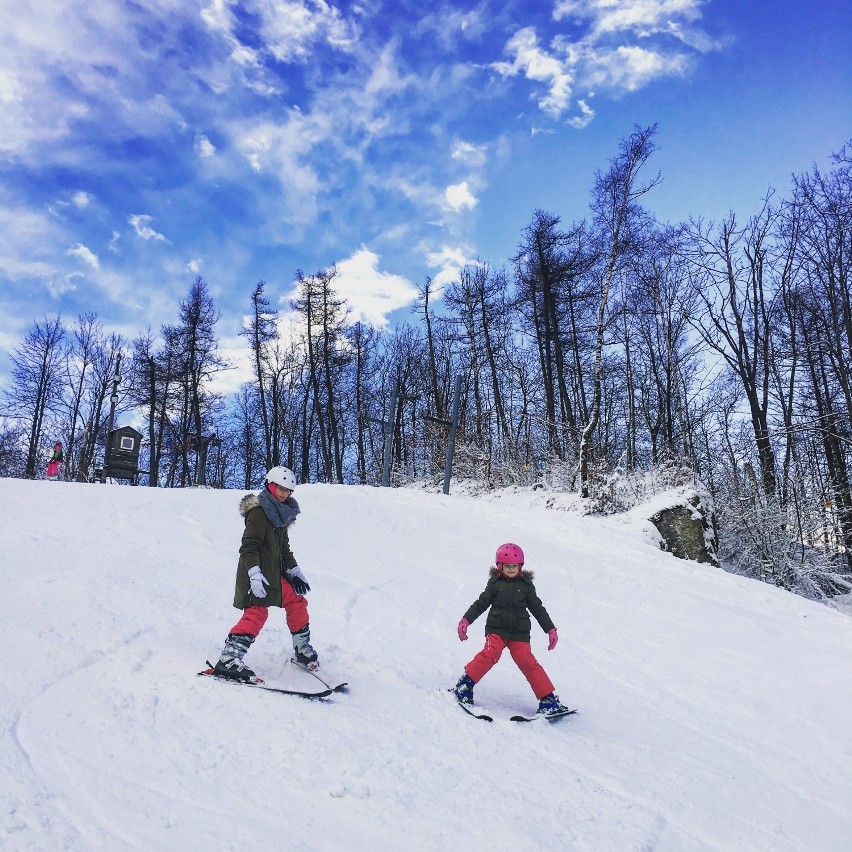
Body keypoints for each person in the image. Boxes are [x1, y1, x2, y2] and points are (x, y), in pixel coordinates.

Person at [212, 465, 319, 682]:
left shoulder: (282, 515)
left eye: (288, 490)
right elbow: (248, 546)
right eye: (280, 488)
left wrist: (295, 571)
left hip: (274, 574)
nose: (284, 493)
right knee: (257, 613)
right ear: (270, 485)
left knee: (297, 601)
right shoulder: (260, 512)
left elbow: (284, 550)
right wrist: (254, 574)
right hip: (255, 573)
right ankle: (228, 660)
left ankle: (301, 649)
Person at [451, 542, 569, 717]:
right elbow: (481, 603)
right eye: (507, 566)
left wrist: (550, 629)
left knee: (527, 661)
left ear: (520, 566)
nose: (511, 569)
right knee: (490, 654)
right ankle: (465, 685)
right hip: (496, 629)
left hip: (519, 632)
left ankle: (548, 699)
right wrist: (466, 620)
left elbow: (537, 608)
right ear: (500, 566)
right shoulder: (494, 583)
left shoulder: (526, 585)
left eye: (515, 566)